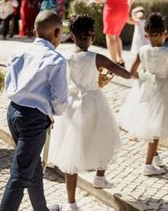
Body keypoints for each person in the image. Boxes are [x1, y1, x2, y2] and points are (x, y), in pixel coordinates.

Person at [49, 14, 131, 211]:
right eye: (89, 36)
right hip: (94, 103)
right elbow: (125, 75)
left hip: (71, 105)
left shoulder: (64, 57)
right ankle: (100, 177)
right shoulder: (97, 57)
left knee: (72, 151)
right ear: (92, 37)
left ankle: (71, 203)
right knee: (103, 137)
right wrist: (127, 68)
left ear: (72, 36)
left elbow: (56, 81)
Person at [0, 10, 68, 211]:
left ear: (34, 30)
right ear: (56, 32)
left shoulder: (18, 51)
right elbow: (60, 100)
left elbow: (9, 83)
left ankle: (41, 209)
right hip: (33, 120)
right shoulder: (56, 59)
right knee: (19, 176)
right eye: (61, 34)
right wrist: (54, 112)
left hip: (13, 112)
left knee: (33, 166)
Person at [118, 13, 168, 176]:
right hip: (162, 91)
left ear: (146, 35)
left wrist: (145, 76)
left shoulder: (142, 50)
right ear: (165, 33)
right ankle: (147, 165)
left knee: (148, 120)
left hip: (144, 88)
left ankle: (155, 155)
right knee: (156, 125)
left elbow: (131, 72)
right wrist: (166, 76)